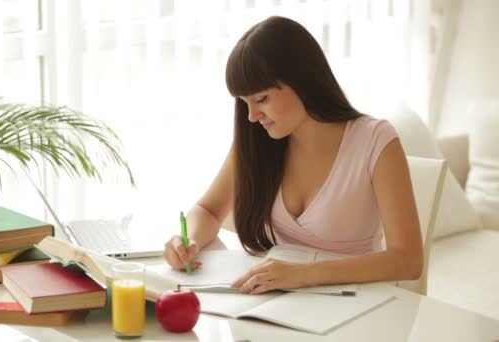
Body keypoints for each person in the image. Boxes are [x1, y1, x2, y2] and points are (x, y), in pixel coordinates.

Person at [163, 16, 423, 295]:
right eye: (245, 103)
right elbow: (209, 211)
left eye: (262, 99)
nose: (251, 116)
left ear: (302, 81)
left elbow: (408, 260)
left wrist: (305, 275)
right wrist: (187, 239)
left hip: (354, 303)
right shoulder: (258, 141)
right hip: (283, 301)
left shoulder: (375, 141)